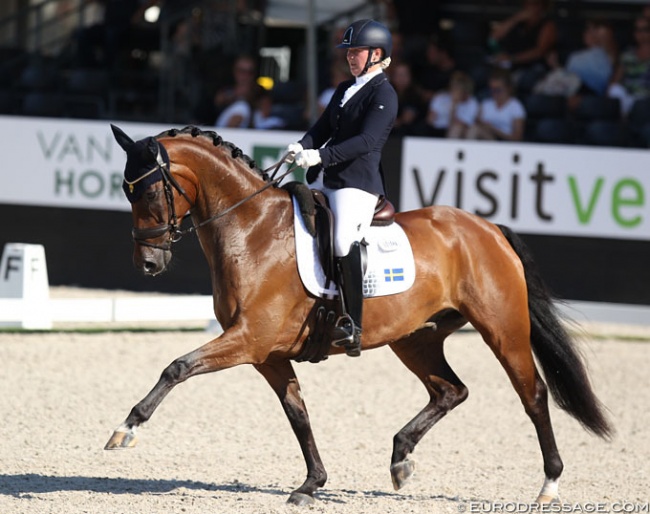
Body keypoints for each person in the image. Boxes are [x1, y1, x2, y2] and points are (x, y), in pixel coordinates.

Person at [284, 19, 398, 357]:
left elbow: (366, 141)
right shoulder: (343, 89)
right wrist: (301, 145)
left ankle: (353, 324)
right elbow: (320, 128)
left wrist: (320, 156)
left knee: (341, 237)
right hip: (329, 177)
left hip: (357, 183)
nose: (350, 57)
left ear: (376, 54)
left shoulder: (384, 94)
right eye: (348, 52)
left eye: (357, 51)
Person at [489, 0, 557, 93]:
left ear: (542, 6)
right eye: (527, 3)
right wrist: (515, 19)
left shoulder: (547, 24)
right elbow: (494, 37)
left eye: (535, 4)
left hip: (533, 67)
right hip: (510, 66)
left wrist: (512, 58)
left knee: (525, 80)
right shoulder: (518, 22)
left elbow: (539, 51)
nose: (530, 7)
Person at [466, 68, 526, 141]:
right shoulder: (485, 104)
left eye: (498, 90)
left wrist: (494, 129)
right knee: (472, 129)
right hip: (485, 140)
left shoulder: (516, 106)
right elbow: (476, 123)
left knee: (475, 130)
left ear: (509, 88)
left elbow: (517, 138)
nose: (494, 93)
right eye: (492, 90)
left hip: (505, 143)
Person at [608, 15, 650, 116]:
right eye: (637, 30)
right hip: (628, 97)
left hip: (646, 99)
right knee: (614, 90)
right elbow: (616, 80)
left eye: (646, 29)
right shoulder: (628, 54)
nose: (641, 34)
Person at [426, 70, 479, 138]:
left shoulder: (472, 102)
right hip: (437, 130)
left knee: (458, 128)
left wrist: (454, 105)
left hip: (456, 131)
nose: (454, 90)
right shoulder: (440, 97)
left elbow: (461, 125)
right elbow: (430, 120)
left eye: (458, 88)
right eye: (453, 87)